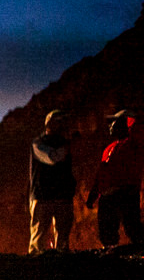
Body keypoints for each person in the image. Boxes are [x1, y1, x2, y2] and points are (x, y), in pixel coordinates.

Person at [87, 109, 144, 248]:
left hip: (127, 191)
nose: (110, 126)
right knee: (106, 230)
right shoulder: (108, 149)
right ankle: (111, 255)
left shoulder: (133, 144)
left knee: (132, 226)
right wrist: (93, 194)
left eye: (113, 122)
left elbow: (138, 130)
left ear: (124, 124)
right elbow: (101, 173)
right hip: (107, 195)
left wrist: (130, 117)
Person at [28, 110, 76, 254]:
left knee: (63, 238)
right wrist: (68, 146)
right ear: (51, 124)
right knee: (38, 238)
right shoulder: (38, 143)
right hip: (43, 195)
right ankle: (35, 267)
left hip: (62, 195)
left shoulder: (64, 143)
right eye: (60, 122)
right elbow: (52, 157)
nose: (63, 125)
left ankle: (61, 266)